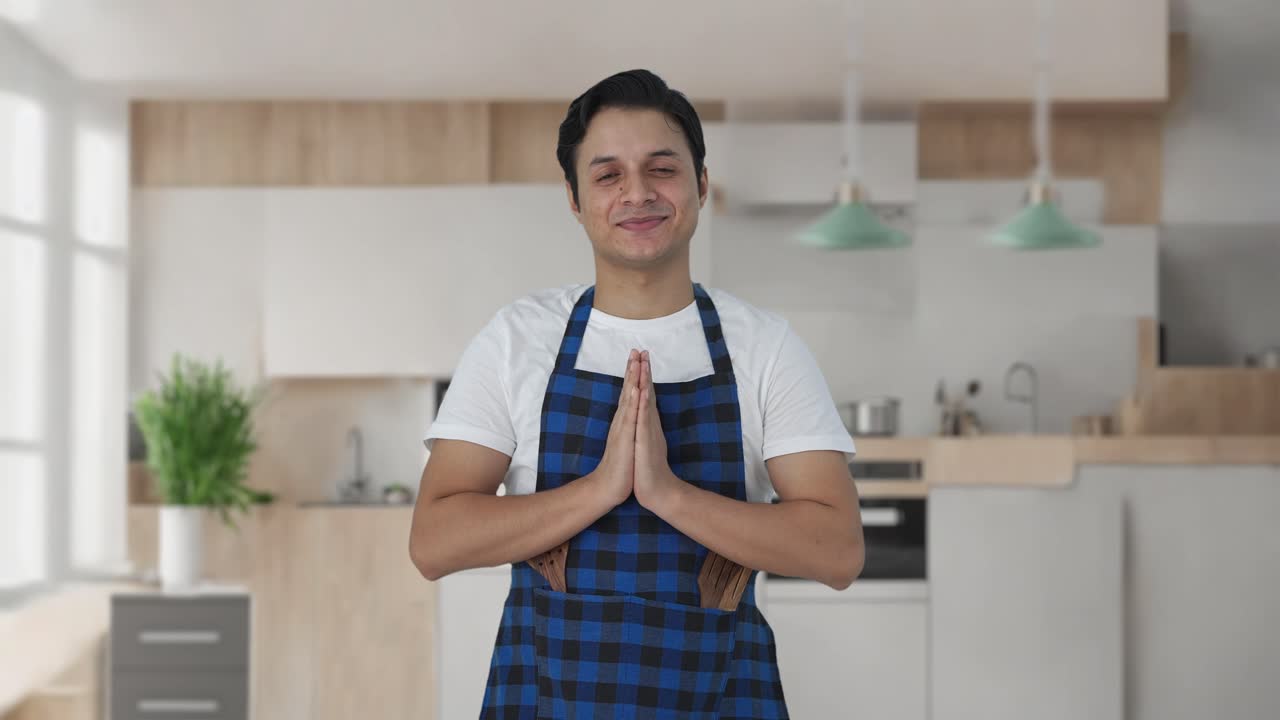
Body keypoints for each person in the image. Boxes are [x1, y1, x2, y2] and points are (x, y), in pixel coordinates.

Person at [409, 68, 864, 719]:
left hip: (723, 697)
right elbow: (433, 542)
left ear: (701, 185)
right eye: (607, 175)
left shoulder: (763, 346)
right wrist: (599, 489)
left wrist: (667, 493)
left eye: (663, 169)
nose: (638, 193)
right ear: (574, 198)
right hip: (546, 698)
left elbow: (839, 552)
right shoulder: (518, 339)